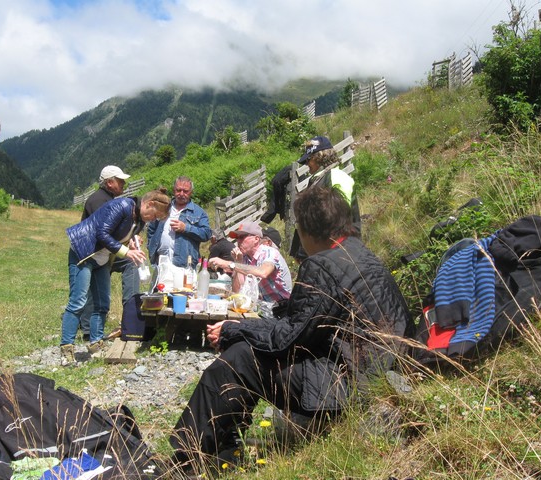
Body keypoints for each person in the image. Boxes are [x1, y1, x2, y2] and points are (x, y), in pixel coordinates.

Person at [169, 187, 411, 472]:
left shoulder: (321, 265)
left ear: (306, 229)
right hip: (378, 369)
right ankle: (224, 444)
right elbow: (308, 326)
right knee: (248, 351)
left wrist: (237, 329)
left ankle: (189, 458)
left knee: (239, 359)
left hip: (348, 384)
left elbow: (288, 338)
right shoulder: (361, 253)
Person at [60, 189, 170, 365]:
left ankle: (95, 343)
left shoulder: (140, 219)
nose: (154, 219)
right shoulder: (123, 206)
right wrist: (126, 252)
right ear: (149, 204)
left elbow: (123, 233)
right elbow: (102, 234)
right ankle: (67, 348)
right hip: (84, 252)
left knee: (103, 302)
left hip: (103, 258)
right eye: (155, 215)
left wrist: (132, 241)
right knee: (78, 301)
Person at [79, 165, 133, 342]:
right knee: (92, 287)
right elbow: (103, 232)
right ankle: (88, 328)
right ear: (110, 183)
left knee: (129, 264)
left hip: (104, 250)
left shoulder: (107, 199)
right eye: (120, 181)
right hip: (91, 252)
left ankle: (130, 310)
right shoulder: (98, 201)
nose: (123, 183)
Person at [289, 136, 361, 262]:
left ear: (319, 157)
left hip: (336, 254)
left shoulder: (336, 177)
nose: (306, 164)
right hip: (323, 254)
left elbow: (337, 218)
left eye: (308, 159)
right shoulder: (318, 179)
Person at [210, 221, 292, 311]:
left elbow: (263, 272)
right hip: (264, 309)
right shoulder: (245, 258)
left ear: (256, 239)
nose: (238, 241)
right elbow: (237, 292)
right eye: (237, 238)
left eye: (242, 237)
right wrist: (238, 262)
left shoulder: (269, 252)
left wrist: (229, 264)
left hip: (283, 308)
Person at [147, 176, 211, 268]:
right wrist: (150, 247)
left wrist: (186, 228)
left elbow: (206, 234)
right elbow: (151, 229)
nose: (181, 194)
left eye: (185, 191)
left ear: (191, 192)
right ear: (174, 190)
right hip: (161, 262)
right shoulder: (164, 208)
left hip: (184, 264)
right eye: (178, 190)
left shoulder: (198, 212)